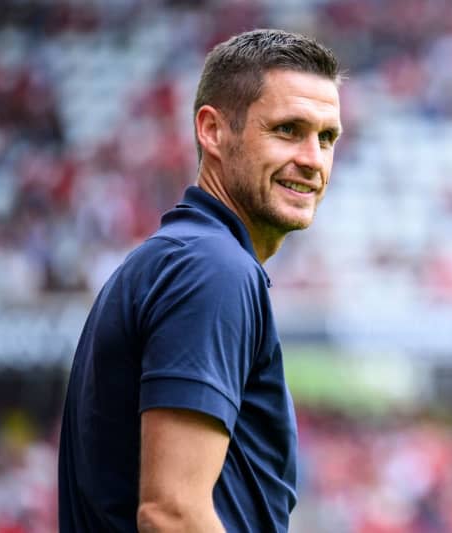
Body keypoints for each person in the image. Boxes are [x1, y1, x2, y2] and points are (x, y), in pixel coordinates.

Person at [58, 29, 343, 532]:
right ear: (212, 131)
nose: (314, 160)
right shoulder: (211, 269)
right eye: (287, 129)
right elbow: (173, 513)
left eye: (326, 137)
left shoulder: (177, 258)